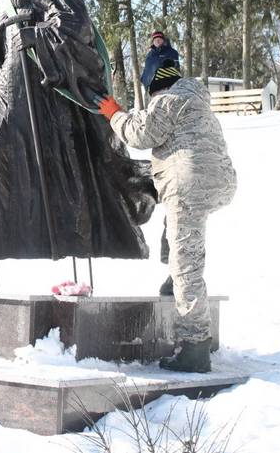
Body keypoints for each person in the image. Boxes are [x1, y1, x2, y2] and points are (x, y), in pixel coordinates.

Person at [0, 0, 156, 261]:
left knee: (63, 165)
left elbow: (77, 26)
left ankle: (73, 238)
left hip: (49, 93)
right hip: (8, 89)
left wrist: (36, 35)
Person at [95, 40, 237, 373]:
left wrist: (114, 112)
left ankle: (195, 346)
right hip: (220, 181)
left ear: (152, 80)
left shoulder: (166, 100)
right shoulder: (196, 98)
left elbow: (140, 134)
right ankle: (174, 277)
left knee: (187, 262)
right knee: (181, 235)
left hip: (189, 183)